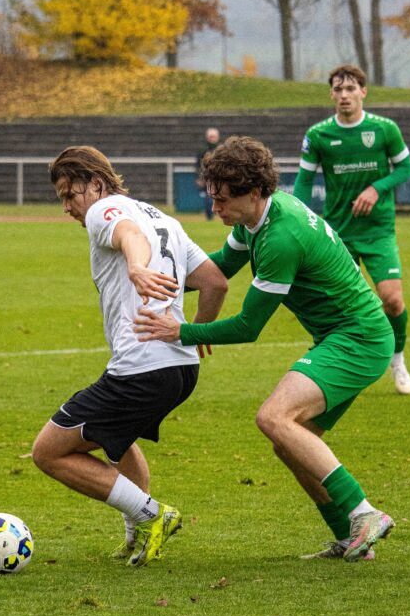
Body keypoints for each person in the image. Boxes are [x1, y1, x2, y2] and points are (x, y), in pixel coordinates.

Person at [135, 135, 395, 562]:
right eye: (212, 197)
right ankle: (352, 539)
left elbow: (249, 326)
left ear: (254, 192)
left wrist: (180, 332)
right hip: (344, 337)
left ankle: (365, 512)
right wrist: (158, 278)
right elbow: (220, 267)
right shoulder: (256, 221)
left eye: (222, 200)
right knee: (292, 439)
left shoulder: (280, 239)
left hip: (358, 339)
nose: (215, 208)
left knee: (273, 418)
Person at [32, 146, 227, 568]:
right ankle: (135, 531)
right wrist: (198, 330)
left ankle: (152, 515)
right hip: (181, 368)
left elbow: (128, 236)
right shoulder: (165, 219)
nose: (66, 207)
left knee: (48, 451)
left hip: (142, 368)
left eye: (71, 195)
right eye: (62, 198)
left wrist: (137, 268)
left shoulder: (106, 211)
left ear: (97, 185)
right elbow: (214, 283)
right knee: (118, 440)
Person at [292, 65, 410, 395]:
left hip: (377, 230)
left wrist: (377, 188)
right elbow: (304, 180)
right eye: (338, 90)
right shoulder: (318, 135)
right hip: (338, 234)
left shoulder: (384, 129)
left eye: (351, 89)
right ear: (331, 94)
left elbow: (405, 167)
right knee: (340, 308)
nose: (344, 95)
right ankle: (338, 365)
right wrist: (297, 214)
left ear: (363, 92)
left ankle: (398, 359)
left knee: (392, 301)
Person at [196, 127, 221, 219]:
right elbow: (198, 165)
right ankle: (209, 215)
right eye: (211, 136)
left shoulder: (221, 150)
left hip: (219, 177)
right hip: (207, 178)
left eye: (214, 136)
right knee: (209, 196)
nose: (212, 139)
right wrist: (199, 178)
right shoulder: (203, 150)